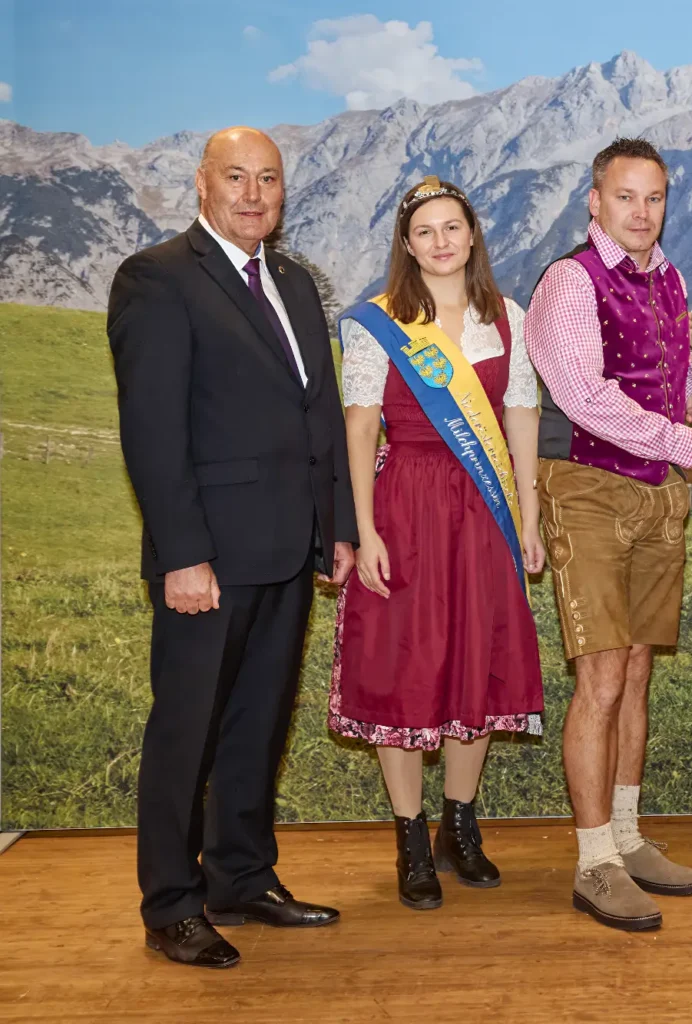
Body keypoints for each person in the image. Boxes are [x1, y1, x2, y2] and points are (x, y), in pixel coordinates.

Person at [107, 126, 357, 968]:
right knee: (188, 731)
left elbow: (317, 412)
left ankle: (242, 878)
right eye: (237, 177)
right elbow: (152, 431)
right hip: (207, 556)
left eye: (270, 180)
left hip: (287, 548)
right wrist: (182, 552)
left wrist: (340, 529)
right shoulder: (158, 279)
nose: (254, 194)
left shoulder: (290, 278)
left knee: (257, 726)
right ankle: (171, 903)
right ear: (202, 184)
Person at [525, 137, 692, 931]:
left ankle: (624, 834)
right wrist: (688, 445)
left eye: (655, 198)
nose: (642, 212)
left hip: (654, 494)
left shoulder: (670, 278)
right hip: (586, 489)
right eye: (626, 197)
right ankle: (592, 862)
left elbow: (676, 386)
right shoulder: (569, 281)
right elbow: (586, 398)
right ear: (594, 199)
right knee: (603, 680)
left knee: (639, 673)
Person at [330, 177, 546, 911]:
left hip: (483, 510)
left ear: (474, 234)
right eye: (426, 231)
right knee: (405, 664)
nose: (442, 241)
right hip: (408, 505)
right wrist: (364, 531)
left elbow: (520, 421)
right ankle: (412, 836)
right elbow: (359, 428)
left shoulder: (506, 318)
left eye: (453, 227)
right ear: (407, 244)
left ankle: (460, 822)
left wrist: (530, 517)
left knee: (475, 659)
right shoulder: (377, 323)